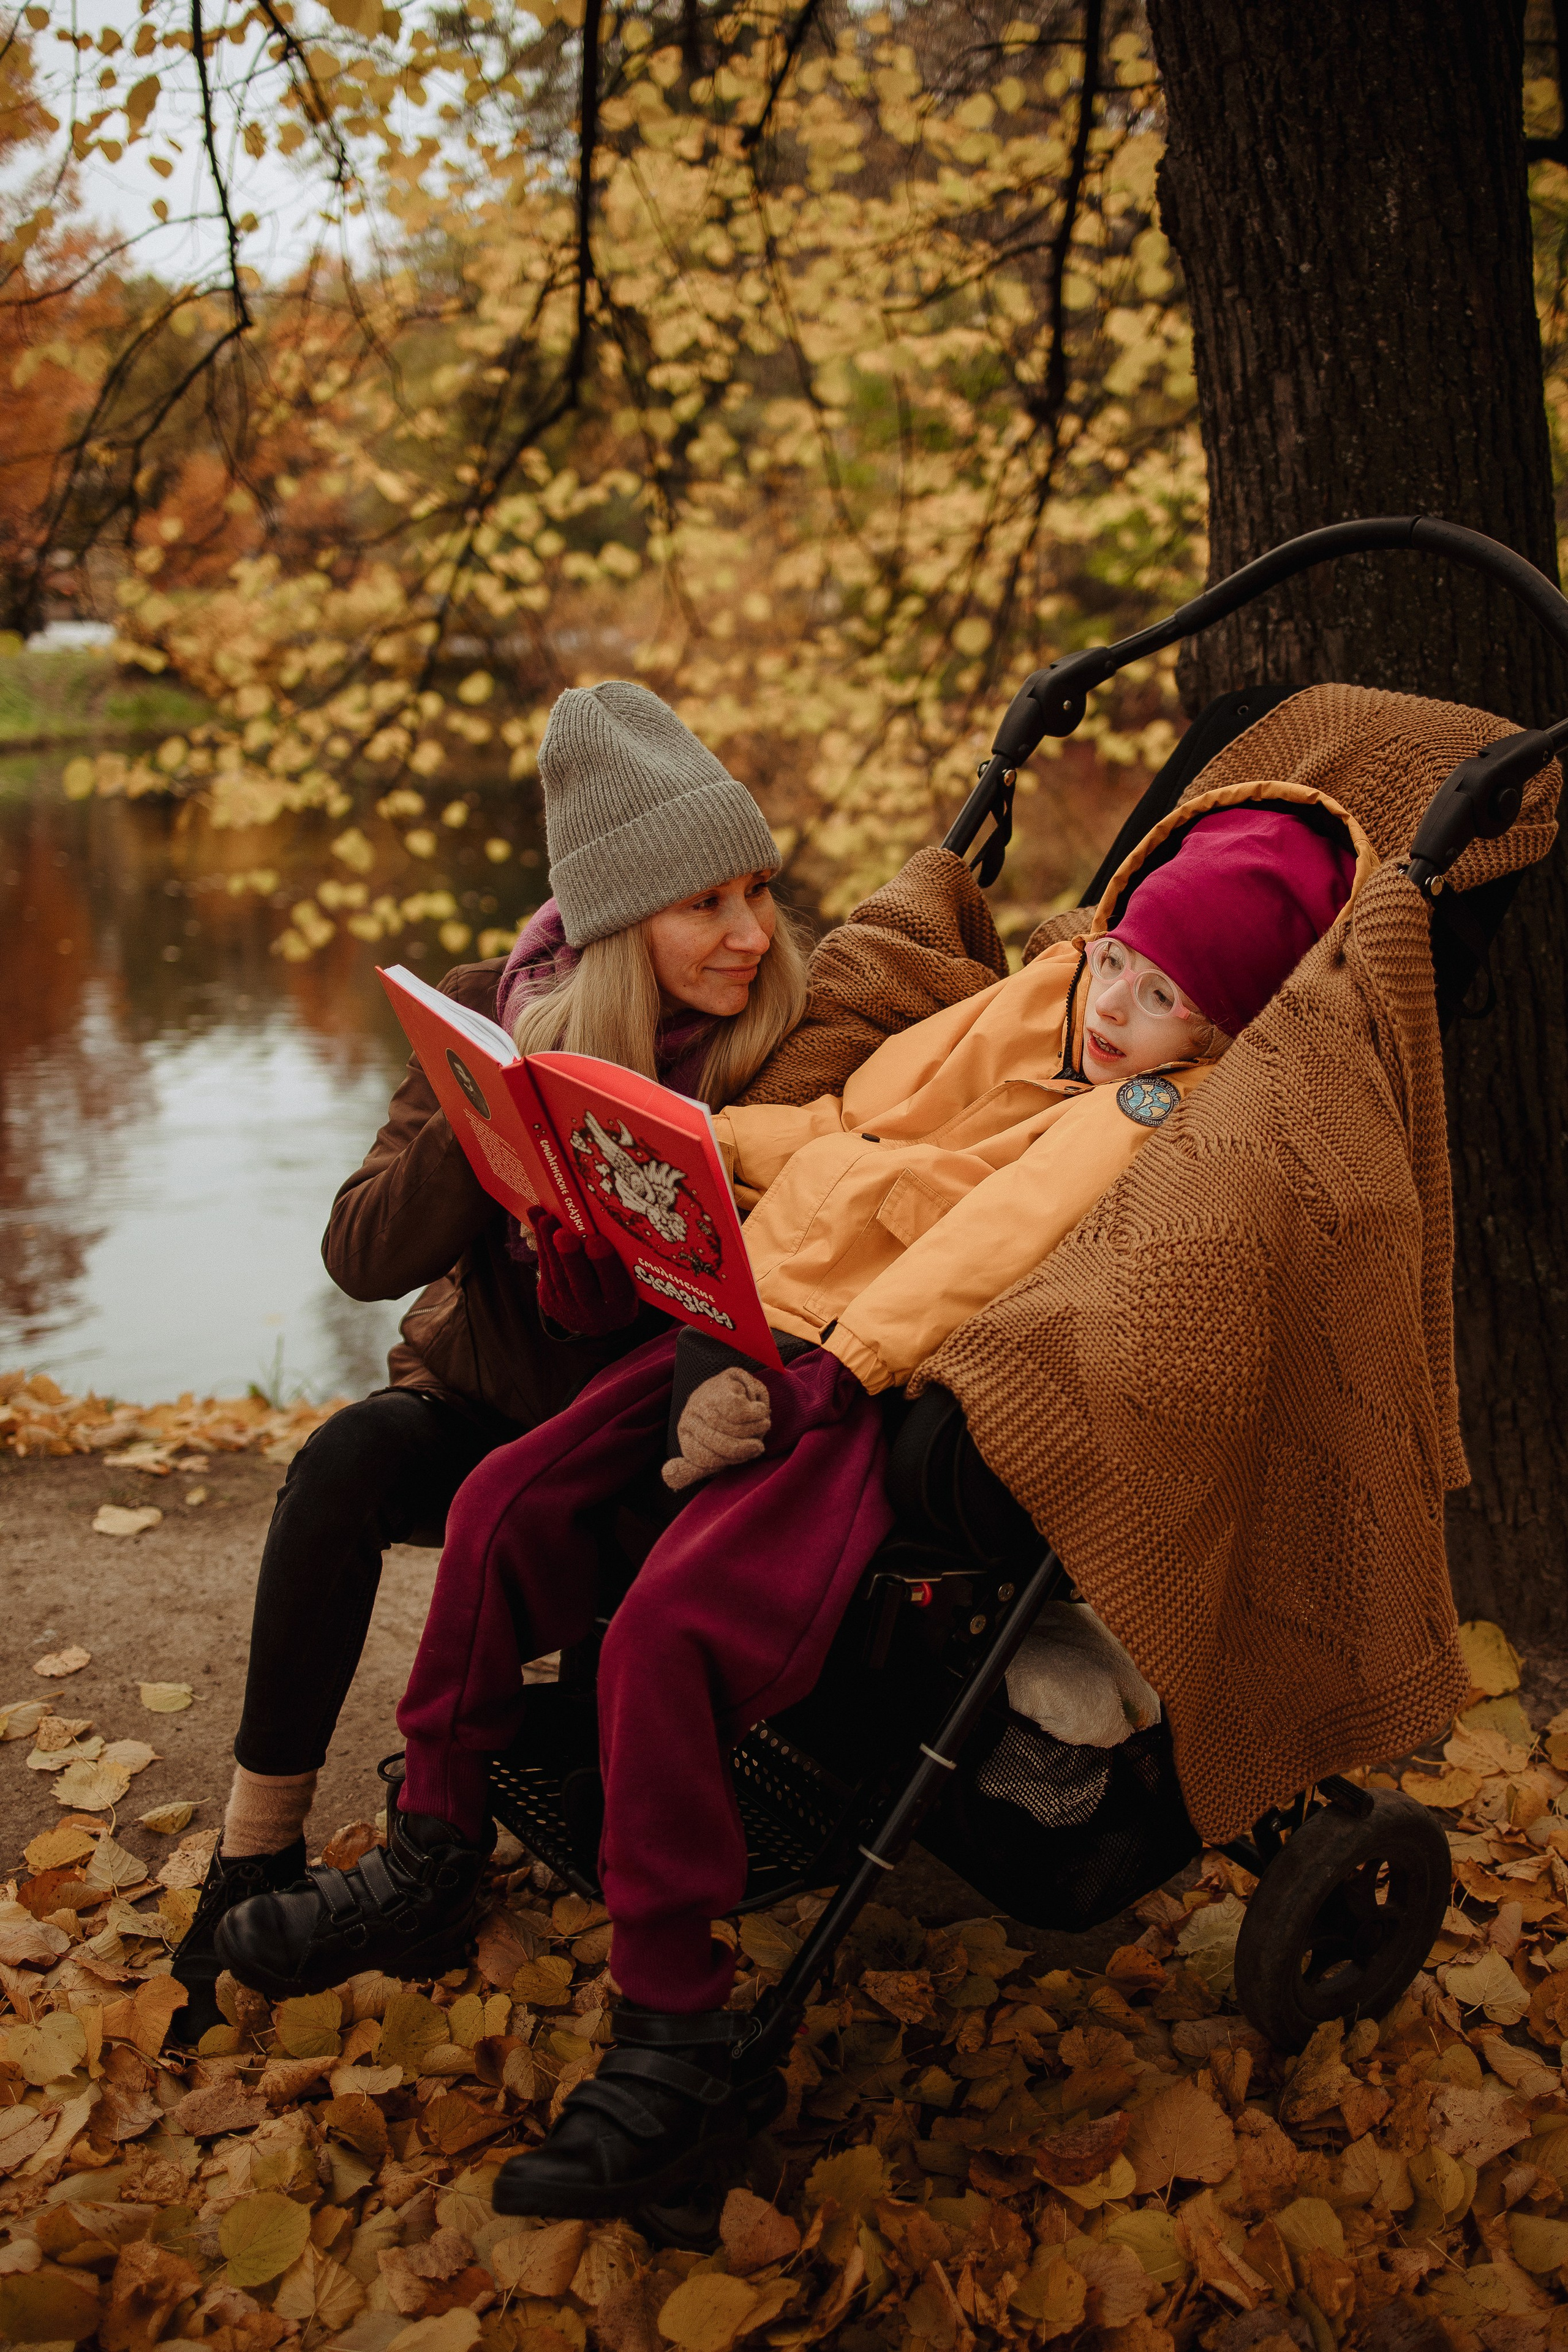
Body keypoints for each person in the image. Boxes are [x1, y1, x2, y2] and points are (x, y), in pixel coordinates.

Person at [216, 786, 1366, 2209]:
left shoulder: (1145, 1115)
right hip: (755, 1298)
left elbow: (972, 1254)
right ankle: (434, 1844)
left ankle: (675, 2026)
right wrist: (685, 1150)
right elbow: (844, 1116)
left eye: (1164, 995)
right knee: (504, 1504)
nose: (1117, 1004)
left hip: (856, 1385)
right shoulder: (1054, 998)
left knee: (668, 1632)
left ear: (1223, 1030)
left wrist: (818, 1375)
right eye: (1119, 963)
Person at [170, 681, 809, 2037]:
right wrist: (491, 1111)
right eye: (709, 905)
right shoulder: (484, 1008)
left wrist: (622, 1294)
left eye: (758, 891)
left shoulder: (779, 1055)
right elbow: (357, 1253)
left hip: (659, 1438)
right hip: (488, 1403)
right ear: (619, 926)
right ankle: (254, 1850)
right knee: (343, 1463)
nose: (752, 934)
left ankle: (466, 1811)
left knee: (531, 1499)